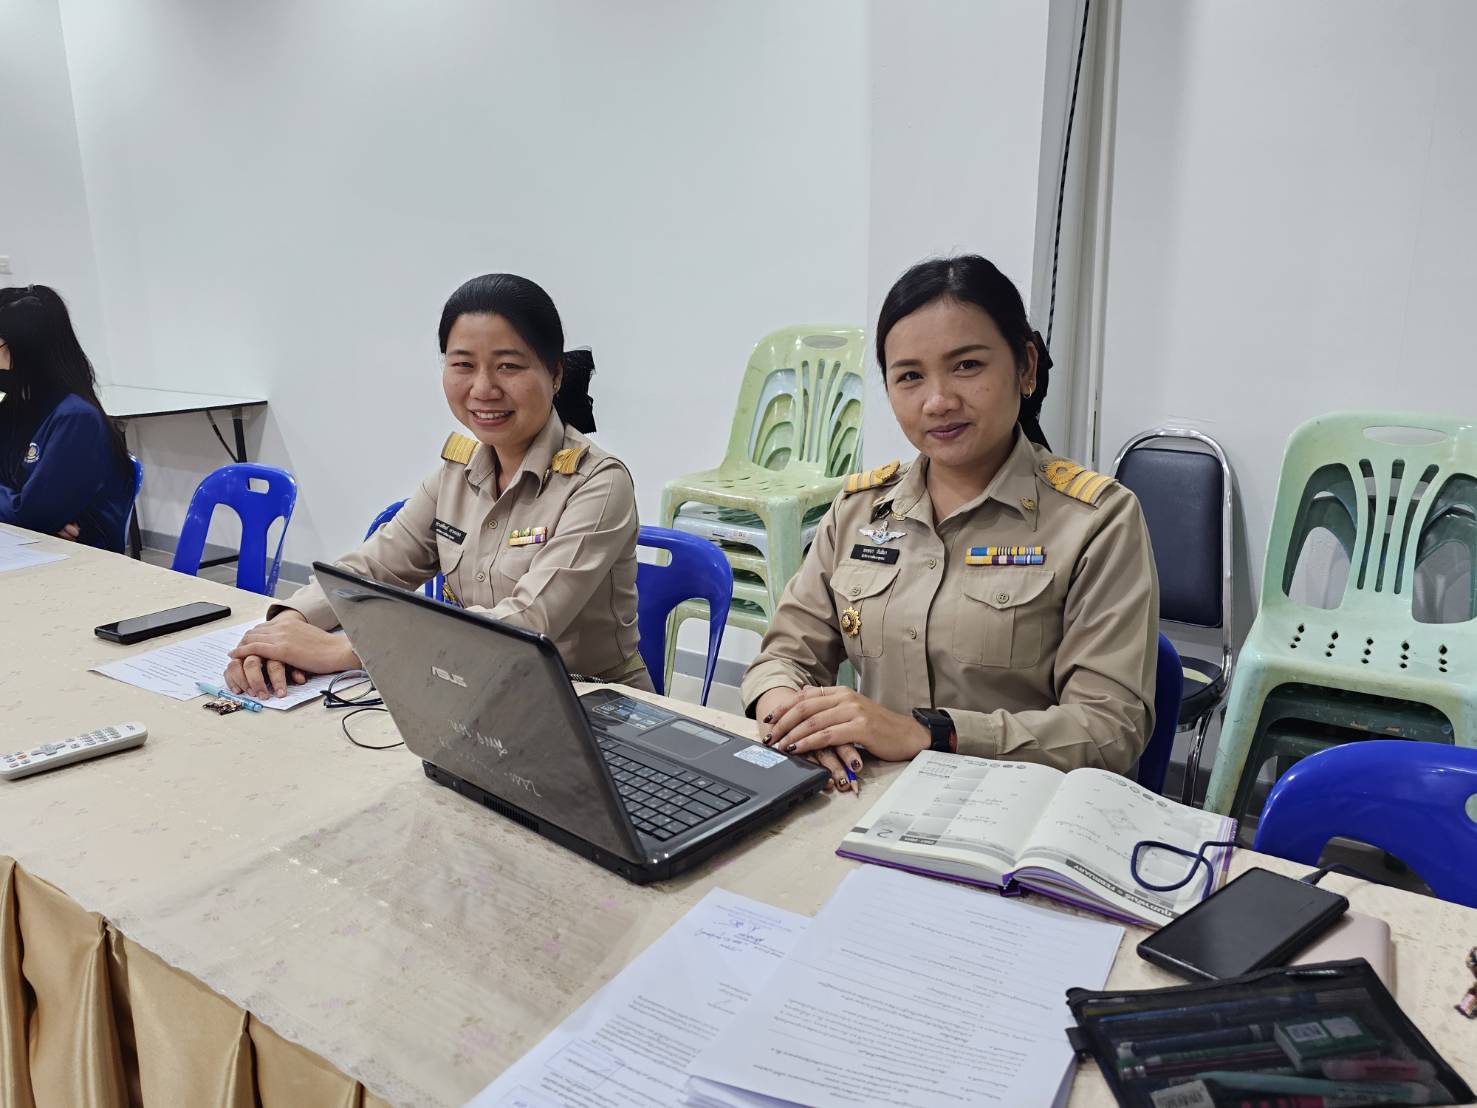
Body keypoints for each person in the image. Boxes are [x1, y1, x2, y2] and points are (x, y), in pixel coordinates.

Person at [742, 255, 1159, 793]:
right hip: (866, 795)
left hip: (1014, 812)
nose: (938, 401)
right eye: (910, 376)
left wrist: (929, 734)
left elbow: (1109, 728)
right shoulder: (859, 512)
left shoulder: (1095, 522)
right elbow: (782, 658)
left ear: (1027, 368)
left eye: (967, 366)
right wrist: (794, 717)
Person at [224, 273, 651, 698]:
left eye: (509, 366)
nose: (483, 388)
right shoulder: (456, 474)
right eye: (463, 364)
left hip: (594, 703)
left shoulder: (598, 483)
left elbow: (527, 623)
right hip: (483, 687)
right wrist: (286, 626)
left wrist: (343, 650)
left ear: (555, 373)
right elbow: (368, 571)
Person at [0, 285, 134, 552]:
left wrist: (32, 515)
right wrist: (27, 512)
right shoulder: (17, 403)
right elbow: (30, 515)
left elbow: (31, 515)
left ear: (24, 346)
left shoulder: (75, 418)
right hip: (28, 547)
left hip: (82, 563)